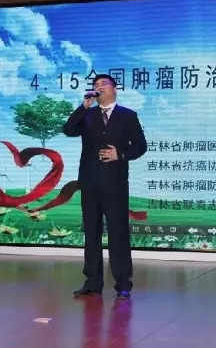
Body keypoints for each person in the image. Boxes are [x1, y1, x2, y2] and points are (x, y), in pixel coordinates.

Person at [63, 74, 147, 299]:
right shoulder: (88, 114)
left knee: (118, 233)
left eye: (103, 84)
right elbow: (68, 130)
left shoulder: (127, 115)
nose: (98, 87)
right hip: (89, 182)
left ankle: (123, 283)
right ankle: (92, 282)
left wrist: (120, 154)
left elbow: (140, 146)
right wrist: (83, 107)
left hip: (115, 183)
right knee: (91, 233)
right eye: (95, 84)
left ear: (114, 89)